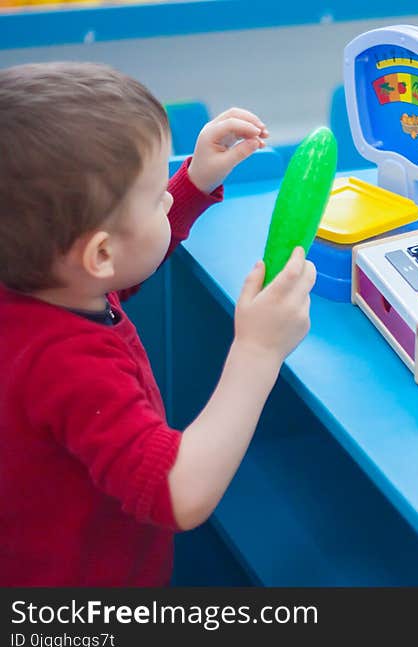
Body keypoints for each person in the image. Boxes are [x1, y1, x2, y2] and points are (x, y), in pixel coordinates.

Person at [0, 62, 316, 585]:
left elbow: (119, 267)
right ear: (99, 252)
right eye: (156, 197)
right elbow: (179, 492)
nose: (167, 198)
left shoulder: (41, 288)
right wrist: (257, 352)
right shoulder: (70, 366)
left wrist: (192, 182)